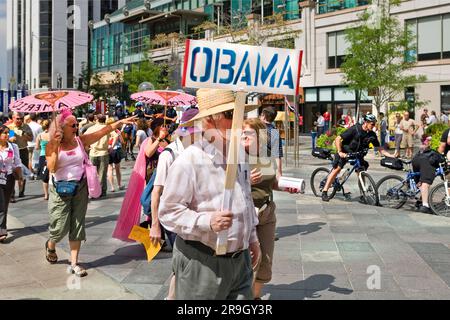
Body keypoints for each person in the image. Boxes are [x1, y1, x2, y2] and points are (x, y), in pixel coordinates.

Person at [159, 88, 261, 300]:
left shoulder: (239, 154)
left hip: (240, 262)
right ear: (208, 122)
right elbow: (167, 212)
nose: (239, 122)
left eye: (240, 114)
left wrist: (252, 238)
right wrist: (206, 221)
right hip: (203, 263)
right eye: (231, 115)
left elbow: (246, 199)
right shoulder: (189, 160)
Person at [45, 109, 135, 276]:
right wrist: (56, 146)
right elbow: (52, 168)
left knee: (78, 225)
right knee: (59, 227)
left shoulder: (80, 141)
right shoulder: (51, 144)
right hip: (59, 189)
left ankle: (74, 263)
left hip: (80, 187)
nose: (76, 127)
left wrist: (118, 123)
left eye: (77, 124)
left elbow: (101, 132)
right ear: (61, 128)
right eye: (73, 125)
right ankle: (51, 244)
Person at [242, 118, 298, 300]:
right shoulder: (236, 157)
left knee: (265, 261)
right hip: (246, 214)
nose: (244, 136)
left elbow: (271, 182)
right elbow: (224, 186)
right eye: (242, 133)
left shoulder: (265, 156)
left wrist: (285, 186)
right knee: (252, 261)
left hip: (267, 213)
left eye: (248, 133)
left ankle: (256, 297)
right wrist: (245, 180)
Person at [150, 108, 200, 300]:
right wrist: (155, 225)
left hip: (194, 215)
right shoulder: (169, 155)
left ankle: (171, 297)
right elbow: (157, 193)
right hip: (174, 217)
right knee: (184, 263)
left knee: (183, 265)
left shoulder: (199, 151)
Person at [321, 114, 395, 202]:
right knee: (337, 169)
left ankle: (362, 194)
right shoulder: (355, 129)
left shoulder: (372, 135)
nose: (374, 126)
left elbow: (380, 149)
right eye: (372, 124)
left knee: (360, 171)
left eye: (374, 124)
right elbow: (338, 138)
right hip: (344, 151)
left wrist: (392, 155)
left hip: (356, 154)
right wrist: (340, 152)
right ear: (366, 122)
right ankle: (325, 191)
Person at [0, 125, 23, 242]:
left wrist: (20, 177)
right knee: (1, 204)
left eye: (8, 132)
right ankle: (2, 230)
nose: (8, 135)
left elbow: (17, 163)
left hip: (9, 177)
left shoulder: (13, 146)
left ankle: (2, 226)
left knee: (5, 205)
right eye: (5, 133)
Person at [412, 135, 445, 214]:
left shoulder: (424, 148)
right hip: (426, 160)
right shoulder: (433, 150)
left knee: (421, 181)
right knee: (426, 182)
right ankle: (425, 205)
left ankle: (421, 200)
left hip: (416, 159)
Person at [8, 112, 33, 198]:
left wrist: (23, 134)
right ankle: (12, 193)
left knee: (23, 171)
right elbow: (9, 139)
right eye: (17, 118)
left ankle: (21, 191)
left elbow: (31, 138)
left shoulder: (25, 127)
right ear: (13, 118)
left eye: (21, 118)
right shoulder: (10, 127)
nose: (19, 120)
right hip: (13, 151)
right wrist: (11, 138)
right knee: (11, 171)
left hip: (23, 150)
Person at [85, 114, 110, 197]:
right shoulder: (107, 128)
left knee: (92, 174)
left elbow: (84, 137)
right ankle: (102, 191)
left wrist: (87, 146)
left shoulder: (91, 128)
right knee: (102, 174)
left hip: (93, 152)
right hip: (104, 153)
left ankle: (93, 191)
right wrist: (111, 146)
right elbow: (116, 135)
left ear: (97, 120)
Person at [260, 107, 283, 178]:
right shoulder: (275, 132)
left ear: (263, 116)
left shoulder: (256, 129)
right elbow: (277, 155)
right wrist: (279, 172)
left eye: (261, 115)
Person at [106, 117, 125, 193]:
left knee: (109, 169)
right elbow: (122, 141)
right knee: (117, 168)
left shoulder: (105, 131)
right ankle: (119, 185)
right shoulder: (117, 131)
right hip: (116, 150)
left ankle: (112, 187)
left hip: (108, 150)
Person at [35, 120, 51, 200]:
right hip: (52, 155)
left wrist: (42, 147)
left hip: (43, 156)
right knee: (52, 174)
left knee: (45, 176)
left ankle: (46, 195)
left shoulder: (40, 135)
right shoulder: (53, 135)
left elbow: (37, 147)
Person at [25, 113, 43, 179]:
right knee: (36, 159)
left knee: (30, 159)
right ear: (36, 118)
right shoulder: (39, 126)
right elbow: (41, 136)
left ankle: (31, 174)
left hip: (28, 144)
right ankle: (36, 174)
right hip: (36, 144)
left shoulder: (26, 125)